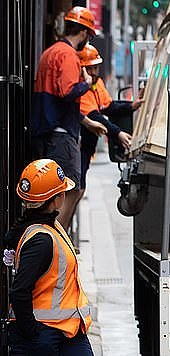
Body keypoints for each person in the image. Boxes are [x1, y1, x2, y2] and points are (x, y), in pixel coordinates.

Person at [5, 159, 105, 356]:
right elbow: (20, 292)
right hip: (41, 337)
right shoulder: (41, 238)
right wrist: (32, 333)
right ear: (57, 198)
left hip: (69, 332)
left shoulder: (49, 227)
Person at [30, 6, 106, 231]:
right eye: (88, 35)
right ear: (83, 33)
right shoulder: (67, 55)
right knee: (70, 188)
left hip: (49, 130)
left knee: (54, 191)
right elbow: (67, 92)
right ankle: (55, 242)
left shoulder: (51, 51)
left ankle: (51, 240)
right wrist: (87, 83)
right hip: (61, 134)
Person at [77, 43, 144, 196]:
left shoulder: (97, 84)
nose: (93, 72)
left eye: (95, 68)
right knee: (77, 188)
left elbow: (109, 106)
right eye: (89, 69)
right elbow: (96, 116)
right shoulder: (81, 90)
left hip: (87, 147)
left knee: (80, 187)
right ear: (81, 70)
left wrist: (131, 106)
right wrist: (118, 133)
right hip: (79, 145)